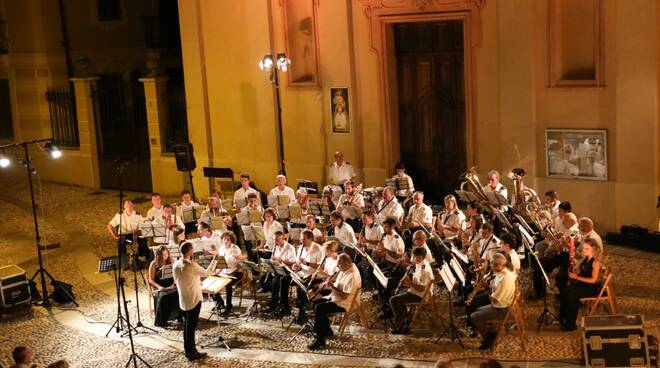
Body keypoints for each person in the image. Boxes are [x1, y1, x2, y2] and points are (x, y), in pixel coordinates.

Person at [172, 241, 217, 361]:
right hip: (194, 299)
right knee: (191, 327)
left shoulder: (175, 264)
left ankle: (188, 349)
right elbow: (208, 272)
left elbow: (180, 280)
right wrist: (215, 259)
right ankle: (192, 353)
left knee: (186, 327)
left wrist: (196, 280)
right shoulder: (191, 266)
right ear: (190, 251)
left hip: (183, 298)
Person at [308, 253, 361, 350]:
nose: (337, 267)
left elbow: (345, 296)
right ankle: (327, 331)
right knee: (315, 302)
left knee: (319, 308)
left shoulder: (352, 276)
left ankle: (320, 340)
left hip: (346, 303)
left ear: (346, 263)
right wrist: (328, 284)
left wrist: (331, 287)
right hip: (336, 297)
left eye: (339, 265)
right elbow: (339, 284)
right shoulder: (346, 269)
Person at [469, 252, 516, 350]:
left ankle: (490, 338)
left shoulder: (504, 279)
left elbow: (495, 299)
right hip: (499, 305)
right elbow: (494, 290)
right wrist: (488, 286)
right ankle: (490, 332)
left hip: (502, 309)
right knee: (477, 309)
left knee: (473, 316)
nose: (491, 268)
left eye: (493, 266)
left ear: (499, 265)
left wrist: (486, 288)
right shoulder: (502, 272)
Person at [559, 238, 602, 331]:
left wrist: (577, 278)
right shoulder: (586, 259)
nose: (584, 250)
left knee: (571, 294)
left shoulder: (596, 262)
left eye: (587, 249)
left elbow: (593, 280)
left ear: (593, 250)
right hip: (583, 284)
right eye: (583, 248)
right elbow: (582, 270)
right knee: (565, 290)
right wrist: (575, 272)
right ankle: (564, 318)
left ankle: (570, 324)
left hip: (591, 288)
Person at [389, 247, 434, 334]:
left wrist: (409, 283)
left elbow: (421, 288)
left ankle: (401, 326)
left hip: (421, 295)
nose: (413, 259)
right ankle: (405, 319)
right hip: (416, 291)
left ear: (422, 257)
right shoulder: (420, 263)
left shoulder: (423, 270)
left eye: (416, 257)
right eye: (413, 256)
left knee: (393, 300)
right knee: (395, 293)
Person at [292, 229, 324, 324]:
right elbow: (298, 262)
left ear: (310, 239)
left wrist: (307, 263)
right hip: (302, 274)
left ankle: (303, 311)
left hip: (314, 276)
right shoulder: (300, 248)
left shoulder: (318, 249)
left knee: (302, 290)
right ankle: (301, 311)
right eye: (301, 239)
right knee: (294, 283)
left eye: (304, 239)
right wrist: (296, 266)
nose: (301, 241)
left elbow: (321, 266)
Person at [148, 245, 181, 327]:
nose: (165, 256)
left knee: (180, 293)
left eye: (167, 254)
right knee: (164, 297)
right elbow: (150, 280)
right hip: (160, 286)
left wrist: (173, 284)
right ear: (159, 255)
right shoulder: (153, 264)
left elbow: (176, 275)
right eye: (163, 254)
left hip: (171, 285)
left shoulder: (172, 261)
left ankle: (180, 317)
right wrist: (159, 287)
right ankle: (162, 320)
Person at [265, 231, 297, 317]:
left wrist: (281, 260)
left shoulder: (290, 248)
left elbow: (293, 263)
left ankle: (280, 305)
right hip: (277, 268)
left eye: (277, 240)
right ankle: (275, 300)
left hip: (287, 270)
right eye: (274, 240)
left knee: (276, 280)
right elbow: (273, 259)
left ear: (283, 239)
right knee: (263, 279)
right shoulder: (275, 247)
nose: (275, 242)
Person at [106, 199, 144, 269]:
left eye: (131, 205)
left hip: (134, 233)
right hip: (123, 235)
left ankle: (137, 258)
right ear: (124, 207)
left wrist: (138, 232)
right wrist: (115, 236)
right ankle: (124, 262)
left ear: (133, 206)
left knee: (142, 240)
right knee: (121, 242)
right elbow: (109, 226)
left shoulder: (138, 215)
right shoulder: (119, 215)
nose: (129, 207)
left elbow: (142, 227)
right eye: (127, 205)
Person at [215, 232, 245, 315]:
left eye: (228, 239)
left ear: (231, 240)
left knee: (227, 283)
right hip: (225, 272)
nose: (226, 241)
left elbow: (241, 264)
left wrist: (234, 269)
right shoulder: (221, 249)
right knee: (212, 279)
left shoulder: (235, 248)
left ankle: (229, 306)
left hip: (236, 272)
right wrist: (216, 272)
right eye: (224, 239)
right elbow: (221, 263)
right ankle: (220, 302)